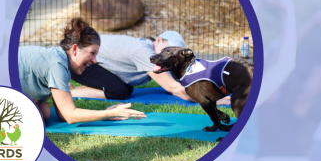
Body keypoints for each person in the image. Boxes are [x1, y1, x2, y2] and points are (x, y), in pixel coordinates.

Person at [18, 18, 146, 123]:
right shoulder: (57, 64)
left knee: (45, 112)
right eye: (92, 53)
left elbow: (63, 114)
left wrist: (105, 113)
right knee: (39, 115)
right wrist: (111, 113)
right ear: (74, 50)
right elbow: (70, 116)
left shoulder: (62, 63)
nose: (95, 61)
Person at [69, 31, 231, 105]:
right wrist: (215, 99)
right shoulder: (144, 52)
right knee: (120, 92)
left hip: (97, 62)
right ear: (159, 40)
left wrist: (218, 66)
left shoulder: (160, 57)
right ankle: (73, 91)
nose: (171, 55)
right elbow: (174, 87)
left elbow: (189, 74)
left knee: (126, 88)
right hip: (82, 63)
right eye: (169, 49)